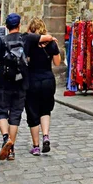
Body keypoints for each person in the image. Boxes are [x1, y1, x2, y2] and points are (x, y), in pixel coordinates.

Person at [0, 13, 56, 161]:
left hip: (5, 83)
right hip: (21, 83)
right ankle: (12, 150)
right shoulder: (26, 37)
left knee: (1, 112)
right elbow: (46, 37)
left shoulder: (2, 40)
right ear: (19, 25)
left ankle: (5, 138)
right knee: (15, 115)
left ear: (7, 26)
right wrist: (52, 39)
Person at [25, 17, 61, 156]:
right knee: (45, 110)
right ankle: (45, 136)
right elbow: (57, 63)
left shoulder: (29, 44)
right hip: (47, 80)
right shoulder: (51, 44)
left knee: (33, 112)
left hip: (32, 80)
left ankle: (36, 146)